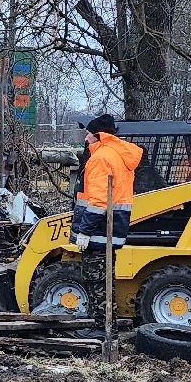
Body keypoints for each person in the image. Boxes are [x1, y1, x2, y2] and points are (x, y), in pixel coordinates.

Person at [72, 114, 144, 310]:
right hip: (111, 230)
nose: (86, 138)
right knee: (106, 281)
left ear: (98, 135)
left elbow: (98, 201)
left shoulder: (101, 158)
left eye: (88, 134)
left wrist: (84, 231)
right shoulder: (118, 155)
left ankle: (100, 324)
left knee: (96, 283)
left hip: (98, 232)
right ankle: (107, 323)